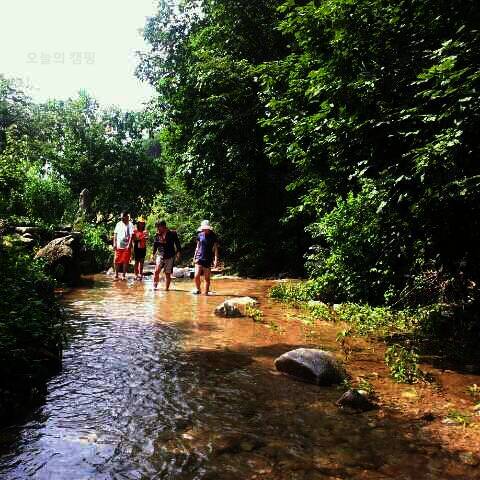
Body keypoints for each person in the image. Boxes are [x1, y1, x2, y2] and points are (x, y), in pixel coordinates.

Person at [152, 220, 181, 290]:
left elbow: (177, 243)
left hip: (170, 255)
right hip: (160, 254)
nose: (157, 229)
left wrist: (178, 252)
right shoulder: (157, 234)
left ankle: (166, 289)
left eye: (159, 227)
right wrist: (153, 254)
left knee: (167, 274)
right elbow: (155, 245)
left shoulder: (172, 233)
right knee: (156, 271)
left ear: (164, 226)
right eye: (157, 227)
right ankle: (154, 287)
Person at [192, 220, 219, 295]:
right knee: (196, 276)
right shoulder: (200, 235)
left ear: (208, 228)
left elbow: (216, 249)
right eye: (203, 228)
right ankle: (198, 289)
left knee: (207, 278)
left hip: (208, 258)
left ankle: (206, 293)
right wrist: (194, 257)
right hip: (199, 258)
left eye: (205, 228)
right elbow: (197, 247)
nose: (203, 230)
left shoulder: (213, 236)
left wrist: (215, 260)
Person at [113, 211, 133, 280]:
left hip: (126, 246)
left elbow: (131, 235)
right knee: (116, 260)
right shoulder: (118, 224)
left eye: (123, 218)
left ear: (127, 217)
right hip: (118, 245)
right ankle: (116, 275)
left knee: (125, 261)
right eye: (121, 218)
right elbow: (115, 234)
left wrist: (129, 244)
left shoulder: (130, 225)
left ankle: (124, 275)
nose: (122, 219)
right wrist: (114, 243)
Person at [132, 217, 148, 281]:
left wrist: (144, 237)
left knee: (142, 261)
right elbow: (134, 239)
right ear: (138, 224)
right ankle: (136, 274)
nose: (141, 224)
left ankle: (140, 274)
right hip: (137, 248)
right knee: (136, 261)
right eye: (140, 223)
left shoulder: (145, 231)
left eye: (143, 223)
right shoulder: (135, 231)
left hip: (143, 247)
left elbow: (146, 238)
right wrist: (141, 238)